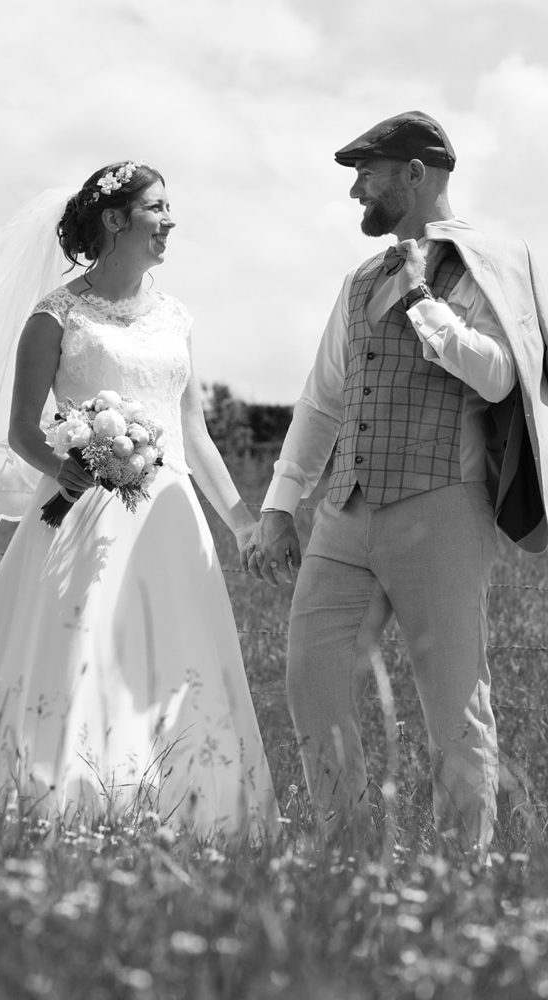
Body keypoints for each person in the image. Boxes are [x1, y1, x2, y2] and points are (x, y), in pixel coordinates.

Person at [0, 162, 280, 835]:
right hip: (85, 513)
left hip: (169, 520)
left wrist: (243, 524)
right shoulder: (55, 317)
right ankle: (63, 803)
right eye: (157, 208)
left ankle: (192, 813)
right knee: (84, 653)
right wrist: (70, 463)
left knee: (175, 659)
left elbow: (193, 432)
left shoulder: (177, 318)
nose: (170, 222)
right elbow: (21, 430)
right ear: (115, 219)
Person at [246, 111, 548, 850]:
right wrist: (281, 506)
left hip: (442, 507)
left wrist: (424, 302)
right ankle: (346, 853)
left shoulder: (489, 261)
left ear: (415, 174)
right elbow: (322, 400)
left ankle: (459, 868)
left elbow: (501, 374)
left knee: (452, 700)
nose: (356, 190)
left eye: (367, 173)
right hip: (345, 512)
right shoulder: (358, 281)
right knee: (312, 677)